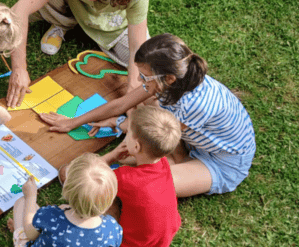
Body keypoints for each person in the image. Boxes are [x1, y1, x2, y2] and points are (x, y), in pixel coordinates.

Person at [40, 33, 257, 198]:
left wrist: (106, 156)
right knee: (144, 106)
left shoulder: (192, 105)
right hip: (185, 139)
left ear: (169, 78)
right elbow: (123, 103)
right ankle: (173, 159)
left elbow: (146, 137)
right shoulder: (174, 81)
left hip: (221, 163)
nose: (139, 81)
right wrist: (73, 122)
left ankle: (166, 163)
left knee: (149, 186)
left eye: (144, 76)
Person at [7, 0, 150, 107]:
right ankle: (63, 23)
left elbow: (137, 46)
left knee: (148, 64)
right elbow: (19, 10)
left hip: (110, 24)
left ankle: (79, 26)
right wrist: (19, 68)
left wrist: (133, 86)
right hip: (70, 4)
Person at [60, 106, 182, 247]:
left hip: (130, 246)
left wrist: (111, 156)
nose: (125, 136)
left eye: (128, 133)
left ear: (136, 146)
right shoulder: (163, 163)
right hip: (161, 243)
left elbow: (86, 176)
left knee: (69, 174)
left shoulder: (125, 177)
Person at [8, 153, 122, 247]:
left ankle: (17, 234)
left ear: (66, 190)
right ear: (110, 202)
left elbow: (31, 234)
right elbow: (114, 244)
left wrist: (31, 196)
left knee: (22, 204)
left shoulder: (51, 216)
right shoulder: (110, 228)